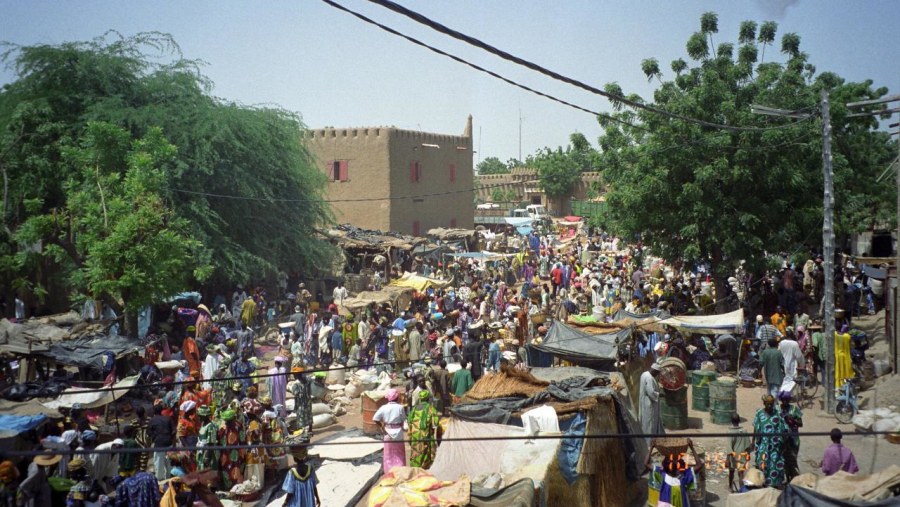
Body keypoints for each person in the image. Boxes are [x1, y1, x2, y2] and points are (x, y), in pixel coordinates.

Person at [751, 394, 788, 487]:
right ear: (764, 403)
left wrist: (784, 443)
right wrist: (753, 442)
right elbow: (756, 428)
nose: (770, 406)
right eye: (768, 404)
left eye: (771, 404)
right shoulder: (759, 413)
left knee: (775, 464)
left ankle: (774, 485)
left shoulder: (778, 414)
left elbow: (784, 429)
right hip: (763, 444)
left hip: (775, 445)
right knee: (762, 463)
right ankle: (763, 483)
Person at [372, 388, 406, 473]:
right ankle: (400, 470)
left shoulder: (383, 408)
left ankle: (389, 472)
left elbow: (375, 418)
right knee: (399, 453)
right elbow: (404, 419)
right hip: (398, 432)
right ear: (397, 398)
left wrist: (382, 427)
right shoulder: (400, 407)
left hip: (387, 431)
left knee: (388, 454)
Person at [407, 389, 441, 469]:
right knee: (425, 449)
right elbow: (435, 423)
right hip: (424, 433)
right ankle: (424, 465)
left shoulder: (414, 409)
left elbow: (409, 421)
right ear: (427, 398)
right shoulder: (430, 408)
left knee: (415, 449)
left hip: (414, 433)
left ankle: (415, 466)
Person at [778, 391, 803, 484]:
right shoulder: (777, 409)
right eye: (783, 400)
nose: (785, 402)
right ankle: (787, 478)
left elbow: (801, 423)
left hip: (793, 439)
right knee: (783, 460)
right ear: (781, 400)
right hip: (781, 439)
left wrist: (792, 420)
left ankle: (793, 479)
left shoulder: (794, 409)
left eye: (787, 400)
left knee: (792, 460)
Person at [640, 362, 664, 446]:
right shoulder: (649, 378)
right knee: (650, 422)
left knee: (646, 422)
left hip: (644, 401)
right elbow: (650, 392)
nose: (657, 375)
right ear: (654, 371)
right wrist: (659, 394)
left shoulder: (644, 374)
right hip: (649, 403)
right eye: (657, 373)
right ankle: (650, 442)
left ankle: (647, 440)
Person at [726, 413, 752, 493]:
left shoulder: (730, 432)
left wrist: (727, 459)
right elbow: (748, 444)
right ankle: (741, 490)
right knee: (741, 475)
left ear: (731, 421)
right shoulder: (744, 431)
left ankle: (730, 487)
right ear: (739, 421)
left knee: (731, 472)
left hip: (733, 456)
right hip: (742, 455)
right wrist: (748, 454)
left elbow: (729, 447)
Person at [291, 367, 313, 438]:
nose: (294, 376)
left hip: (300, 403)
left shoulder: (296, 384)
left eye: (294, 375)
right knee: (309, 414)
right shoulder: (307, 380)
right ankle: (310, 429)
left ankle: (302, 431)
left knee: (301, 416)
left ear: (296, 375)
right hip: (308, 401)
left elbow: (295, 393)